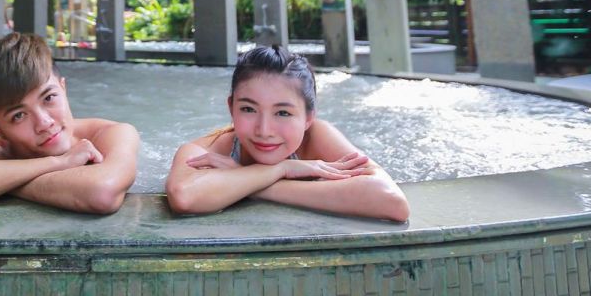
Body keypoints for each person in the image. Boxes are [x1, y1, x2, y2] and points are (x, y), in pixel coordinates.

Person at [165, 45, 409, 221]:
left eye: (282, 113)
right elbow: (185, 198)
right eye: (248, 109)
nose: (264, 130)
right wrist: (282, 169)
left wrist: (250, 182)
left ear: (309, 117)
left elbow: (392, 201)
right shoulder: (206, 150)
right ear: (231, 108)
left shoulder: (317, 137)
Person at [0, 32, 139, 214]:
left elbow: (101, 193)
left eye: (49, 98)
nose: (44, 123)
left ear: (63, 88)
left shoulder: (110, 134)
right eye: (19, 115)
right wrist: (58, 163)